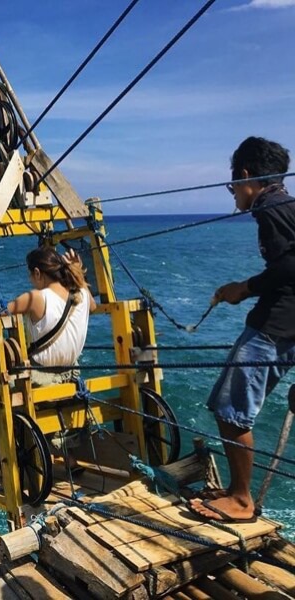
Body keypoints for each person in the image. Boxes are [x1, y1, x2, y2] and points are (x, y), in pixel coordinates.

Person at [189, 137, 295, 524]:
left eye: (233, 184)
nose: (233, 193)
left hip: (274, 327)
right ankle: (238, 493)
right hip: (286, 326)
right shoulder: (288, 205)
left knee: (231, 411)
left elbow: (288, 269)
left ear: (247, 176)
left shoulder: (269, 207)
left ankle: (240, 499)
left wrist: (242, 289)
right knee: (230, 406)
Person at [0, 246, 96, 382]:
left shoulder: (37, 297)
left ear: (37, 273)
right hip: (71, 375)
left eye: (30, 275)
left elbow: (0, 312)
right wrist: (78, 274)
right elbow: (93, 307)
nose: (30, 280)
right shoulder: (82, 293)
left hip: (41, 377)